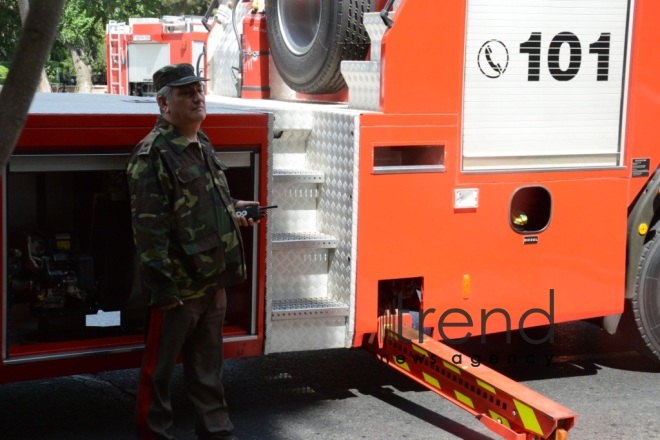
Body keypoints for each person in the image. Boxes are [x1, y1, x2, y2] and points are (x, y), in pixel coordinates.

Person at [127, 63, 257, 440]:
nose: (198, 97)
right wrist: (163, 290)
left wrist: (234, 209)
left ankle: (217, 433)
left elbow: (200, 204)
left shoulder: (200, 143)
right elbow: (148, 231)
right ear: (164, 103)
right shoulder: (152, 154)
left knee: (208, 369)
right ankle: (155, 435)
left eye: (198, 90)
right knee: (160, 372)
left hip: (211, 280)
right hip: (179, 289)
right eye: (186, 93)